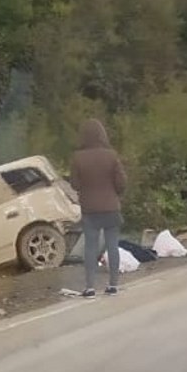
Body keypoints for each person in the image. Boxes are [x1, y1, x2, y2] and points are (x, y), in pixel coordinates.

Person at [70, 118, 128, 298]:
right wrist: (116, 193)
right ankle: (113, 285)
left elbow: (74, 184)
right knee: (112, 245)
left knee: (90, 247)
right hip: (111, 206)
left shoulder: (77, 157)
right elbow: (122, 182)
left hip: (89, 209)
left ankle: (90, 287)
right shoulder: (111, 155)